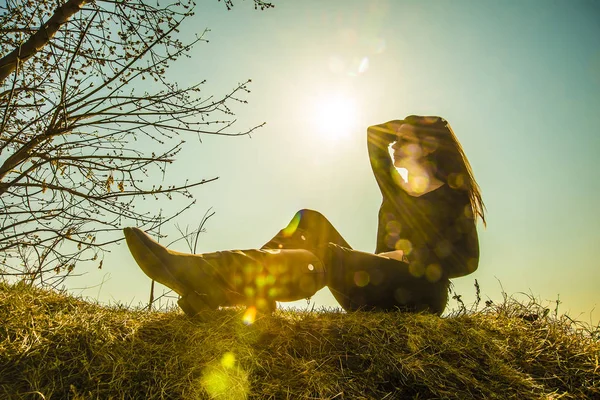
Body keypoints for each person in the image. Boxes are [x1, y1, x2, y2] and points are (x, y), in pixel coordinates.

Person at [124, 115, 485, 316]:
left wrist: (406, 257)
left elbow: (467, 260)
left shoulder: (452, 197)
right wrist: (406, 127)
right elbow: (375, 135)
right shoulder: (399, 195)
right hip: (375, 282)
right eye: (397, 141)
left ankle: (200, 270)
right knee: (309, 220)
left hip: (417, 296)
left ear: (429, 146)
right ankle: (241, 292)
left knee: (326, 255)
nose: (394, 146)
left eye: (404, 141)